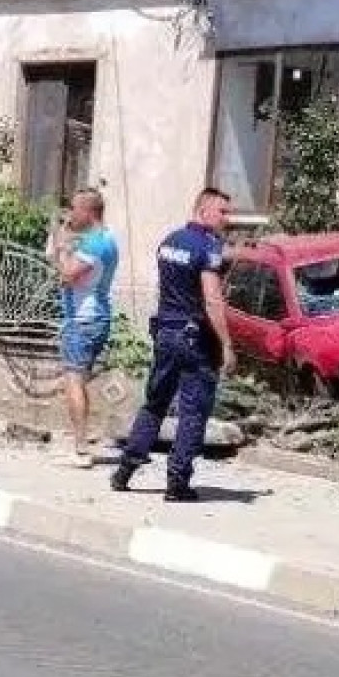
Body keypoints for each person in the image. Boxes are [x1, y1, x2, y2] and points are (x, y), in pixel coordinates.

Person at [111, 187, 233, 502]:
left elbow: (171, 286)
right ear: (203, 210)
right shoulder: (208, 247)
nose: (227, 219)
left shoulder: (170, 241)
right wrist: (227, 345)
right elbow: (211, 299)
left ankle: (125, 470)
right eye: (222, 212)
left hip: (165, 333)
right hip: (195, 339)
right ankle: (177, 484)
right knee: (193, 411)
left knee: (155, 403)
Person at [46, 188, 120, 469]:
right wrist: (61, 246)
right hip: (93, 317)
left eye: (75, 209)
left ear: (89, 212)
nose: (71, 214)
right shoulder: (105, 239)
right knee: (77, 380)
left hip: (83, 320)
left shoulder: (95, 244)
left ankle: (80, 449)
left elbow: (67, 275)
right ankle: (82, 440)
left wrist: (63, 246)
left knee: (73, 381)